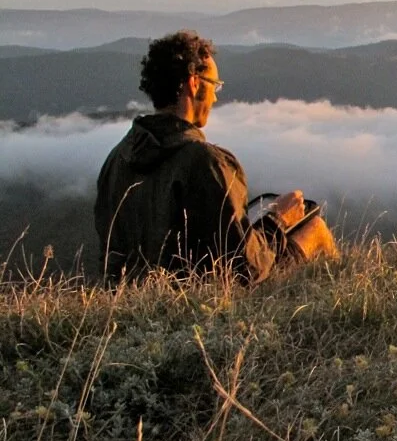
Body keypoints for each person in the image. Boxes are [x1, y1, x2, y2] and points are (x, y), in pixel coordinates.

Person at [94, 30, 336, 283]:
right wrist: (278, 220)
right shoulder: (206, 162)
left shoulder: (117, 158)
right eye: (214, 85)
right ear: (193, 83)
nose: (216, 95)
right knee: (315, 228)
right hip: (202, 300)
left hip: (130, 298)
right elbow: (247, 267)